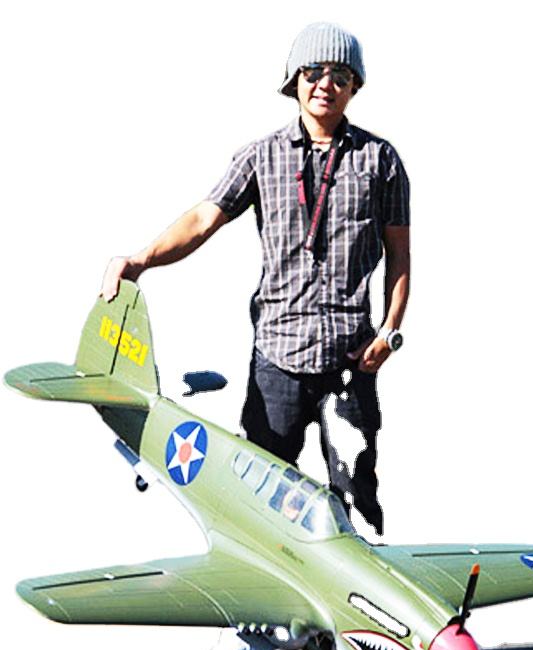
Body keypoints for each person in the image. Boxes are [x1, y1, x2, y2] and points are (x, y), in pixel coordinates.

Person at [101, 22, 410, 535]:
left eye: (340, 75)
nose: (325, 84)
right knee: (261, 509)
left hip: (351, 362)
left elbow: (399, 254)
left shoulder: (381, 161)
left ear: (355, 86)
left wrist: (390, 332)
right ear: (294, 81)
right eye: (313, 72)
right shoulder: (261, 157)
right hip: (278, 361)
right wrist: (140, 261)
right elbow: (202, 220)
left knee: (356, 506)